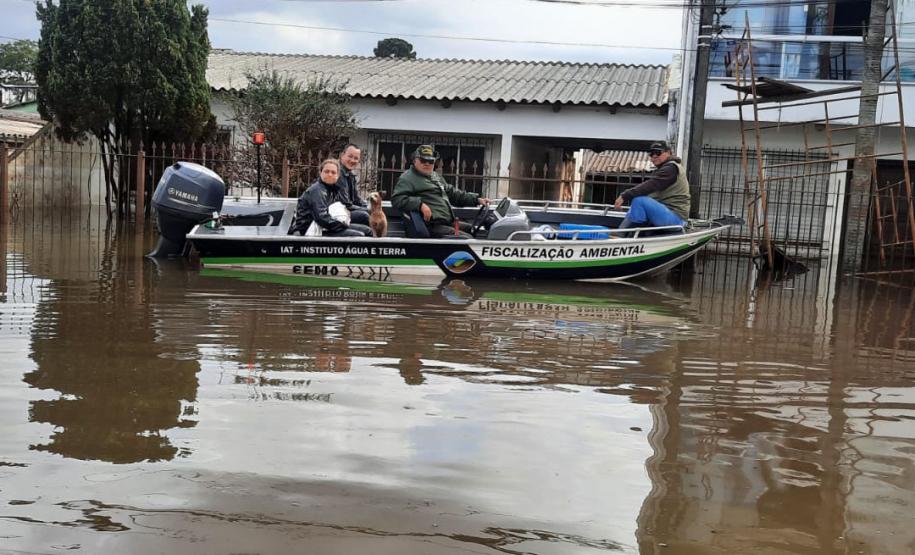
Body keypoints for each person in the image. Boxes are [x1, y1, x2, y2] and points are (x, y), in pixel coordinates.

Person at [391, 145, 490, 238]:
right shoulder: (407, 178)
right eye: (423, 160)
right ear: (415, 160)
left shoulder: (435, 176)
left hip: (447, 222)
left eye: (430, 161)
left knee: (474, 230)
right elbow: (397, 199)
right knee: (467, 239)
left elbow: (453, 194)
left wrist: (476, 200)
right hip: (431, 225)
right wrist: (420, 205)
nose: (427, 163)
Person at [614, 141, 691, 231]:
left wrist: (625, 195)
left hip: (676, 219)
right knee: (639, 203)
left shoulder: (670, 169)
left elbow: (651, 185)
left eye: (658, 152)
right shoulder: (664, 168)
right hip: (668, 214)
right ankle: (624, 233)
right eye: (651, 154)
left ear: (669, 152)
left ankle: (622, 235)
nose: (654, 156)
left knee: (639, 200)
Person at [288, 159, 373, 237]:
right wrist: (343, 225)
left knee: (368, 230)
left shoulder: (333, 189)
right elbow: (321, 218)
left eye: (333, 172)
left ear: (338, 175)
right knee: (359, 235)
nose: (330, 174)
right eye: (326, 171)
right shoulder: (317, 190)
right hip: (313, 228)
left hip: (328, 225)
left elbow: (340, 208)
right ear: (320, 173)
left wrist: (345, 219)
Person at [337, 144, 371, 227]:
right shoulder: (337, 173)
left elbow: (356, 199)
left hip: (345, 212)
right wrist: (367, 210)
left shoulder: (350, 175)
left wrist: (368, 207)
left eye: (356, 158)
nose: (352, 160)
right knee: (365, 216)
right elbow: (345, 204)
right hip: (337, 214)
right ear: (342, 155)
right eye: (350, 156)